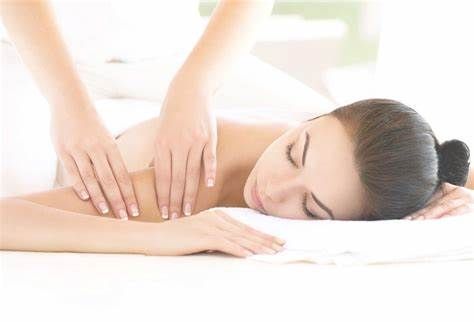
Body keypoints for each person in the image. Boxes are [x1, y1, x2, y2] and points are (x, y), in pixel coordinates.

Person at [1, 98, 473, 257]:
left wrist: (446, 188)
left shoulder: (351, 158)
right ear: (315, 117)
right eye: (293, 152)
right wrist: (158, 237)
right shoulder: (189, 180)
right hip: (121, 125)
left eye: (311, 208)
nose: (273, 191)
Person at [2, 0, 306, 223]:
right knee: (16, 180)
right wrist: (68, 104)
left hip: (173, 53)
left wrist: (195, 85)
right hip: (27, 54)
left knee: (327, 130)